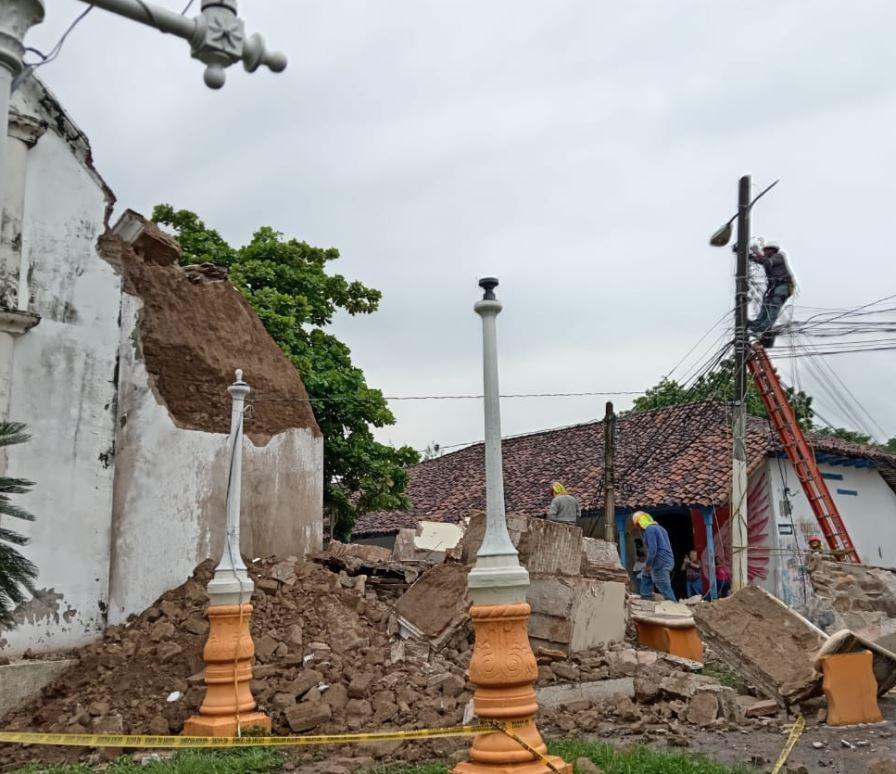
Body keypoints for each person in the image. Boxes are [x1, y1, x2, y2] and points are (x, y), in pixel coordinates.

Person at [746, 239, 795, 346]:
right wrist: (746, 255)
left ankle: (765, 326)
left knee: (773, 305)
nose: (764, 253)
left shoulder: (779, 256)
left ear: (772, 250)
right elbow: (760, 260)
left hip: (783, 285)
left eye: (766, 250)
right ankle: (758, 324)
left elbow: (766, 263)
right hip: (773, 287)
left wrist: (756, 251)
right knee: (765, 304)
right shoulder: (767, 259)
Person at [631, 511, 676, 601]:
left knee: (664, 586)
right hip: (667, 560)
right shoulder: (660, 528)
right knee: (646, 575)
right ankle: (645, 598)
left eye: (638, 525)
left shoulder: (649, 529)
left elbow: (653, 549)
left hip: (660, 562)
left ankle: (676, 607)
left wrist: (648, 564)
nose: (639, 528)